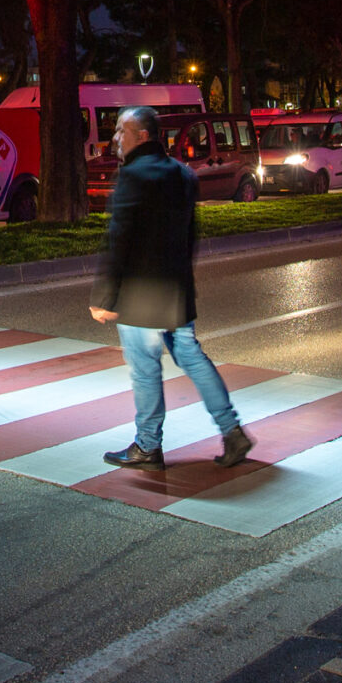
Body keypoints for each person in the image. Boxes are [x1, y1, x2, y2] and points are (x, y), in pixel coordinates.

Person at [89, 106, 252, 471]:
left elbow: (119, 239)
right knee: (192, 358)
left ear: (142, 136)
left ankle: (148, 446)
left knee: (145, 369)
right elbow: (191, 235)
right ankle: (232, 431)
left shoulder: (132, 176)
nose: (115, 137)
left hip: (140, 294)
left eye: (122, 130)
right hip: (176, 290)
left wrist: (103, 297)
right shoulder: (183, 173)